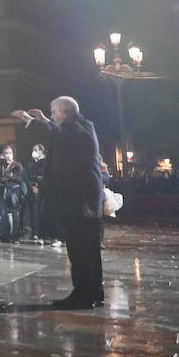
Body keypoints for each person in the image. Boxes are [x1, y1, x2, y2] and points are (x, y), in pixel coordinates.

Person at [13, 98, 105, 309]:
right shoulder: (80, 127)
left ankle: (83, 295)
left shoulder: (78, 129)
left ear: (64, 113)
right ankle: (94, 293)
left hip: (80, 203)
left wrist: (29, 121)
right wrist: (45, 120)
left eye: (53, 112)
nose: (51, 116)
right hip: (85, 204)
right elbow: (61, 135)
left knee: (81, 251)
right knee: (89, 251)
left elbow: (60, 135)